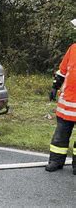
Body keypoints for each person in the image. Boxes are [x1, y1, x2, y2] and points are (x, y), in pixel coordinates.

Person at [46, 19, 76, 175]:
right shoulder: (73, 48)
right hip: (67, 102)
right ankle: (56, 161)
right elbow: (62, 70)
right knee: (60, 134)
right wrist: (54, 86)